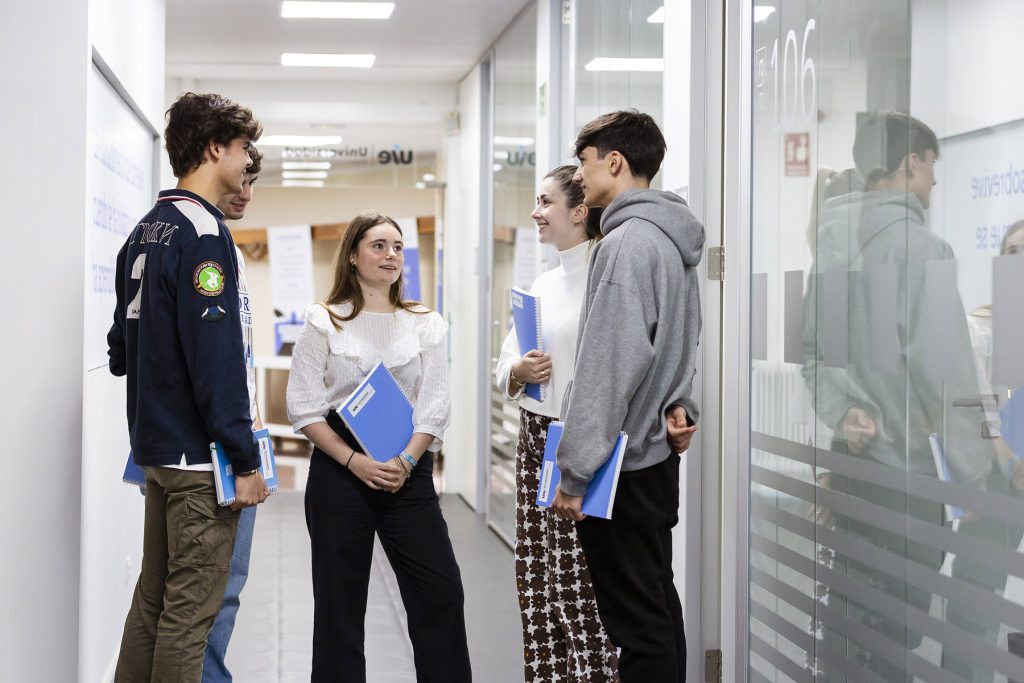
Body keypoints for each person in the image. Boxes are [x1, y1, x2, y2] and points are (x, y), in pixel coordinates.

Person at [802, 111, 991, 682]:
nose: (933, 181)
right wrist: (978, 474)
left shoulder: (832, 245)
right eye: (932, 167)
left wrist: (845, 411)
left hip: (853, 469)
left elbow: (815, 356)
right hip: (906, 474)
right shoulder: (922, 248)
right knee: (896, 633)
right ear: (910, 165)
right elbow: (947, 371)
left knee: (854, 622)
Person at [109, 92, 269, 683]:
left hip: (154, 451)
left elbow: (119, 349)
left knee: (152, 605)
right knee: (188, 616)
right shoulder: (205, 233)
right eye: (244, 150)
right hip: (201, 464)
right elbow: (218, 361)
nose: (248, 163)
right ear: (214, 148)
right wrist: (244, 458)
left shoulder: (145, 229)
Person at [550, 109, 704, 682]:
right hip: (655, 460)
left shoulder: (625, 245)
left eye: (585, 164)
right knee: (658, 609)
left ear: (615, 162)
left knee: (637, 628)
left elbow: (608, 366)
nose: (581, 178)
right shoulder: (671, 241)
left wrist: (575, 471)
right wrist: (682, 405)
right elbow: (685, 343)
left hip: (620, 469)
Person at [286, 211, 471, 683]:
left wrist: (407, 460)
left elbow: (435, 404)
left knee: (440, 593)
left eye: (396, 246)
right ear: (352, 255)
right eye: (378, 245)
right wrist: (355, 462)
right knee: (339, 606)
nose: (391, 255)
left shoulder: (425, 323)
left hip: (407, 467)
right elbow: (303, 407)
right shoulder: (323, 321)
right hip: (340, 468)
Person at [494, 165, 619, 682]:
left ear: (578, 210)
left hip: (578, 439)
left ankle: (594, 675)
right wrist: (518, 371)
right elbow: (507, 362)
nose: (535, 212)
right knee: (538, 575)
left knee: (579, 579)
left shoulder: (604, 273)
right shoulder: (542, 283)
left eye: (545, 202)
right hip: (534, 437)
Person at [202, 145, 264, 683]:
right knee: (208, 592)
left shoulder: (230, 248)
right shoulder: (201, 244)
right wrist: (244, 456)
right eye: (241, 178)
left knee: (228, 585)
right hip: (213, 451)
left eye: (252, 184)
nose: (246, 193)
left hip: (239, 439)